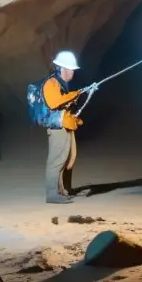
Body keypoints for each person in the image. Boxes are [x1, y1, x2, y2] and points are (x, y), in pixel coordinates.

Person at [40, 51, 96, 204]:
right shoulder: (50, 83)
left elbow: (66, 106)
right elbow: (54, 103)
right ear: (61, 69)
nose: (72, 73)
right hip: (57, 128)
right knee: (56, 160)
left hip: (65, 126)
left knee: (67, 159)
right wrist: (76, 93)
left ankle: (62, 190)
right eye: (70, 69)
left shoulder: (61, 84)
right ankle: (52, 194)